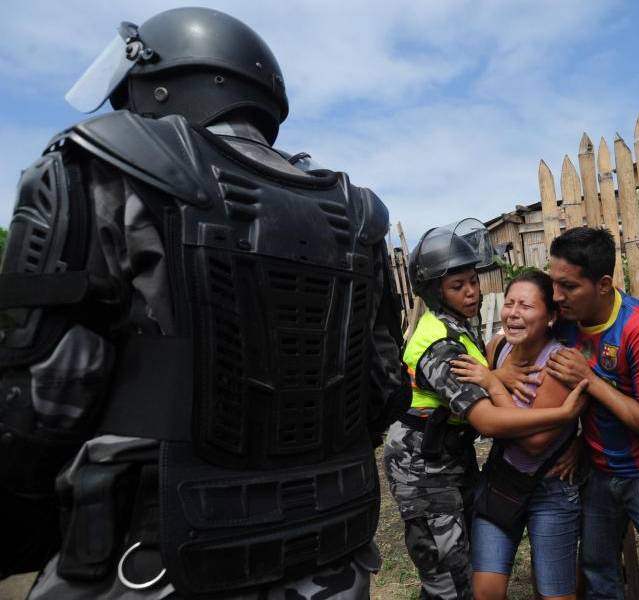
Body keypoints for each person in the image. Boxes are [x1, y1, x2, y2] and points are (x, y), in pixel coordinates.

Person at [0, 7, 411, 599]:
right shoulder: (357, 213)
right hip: (331, 554)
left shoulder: (101, 168)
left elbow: (37, 402)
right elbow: (384, 389)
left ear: (157, 83)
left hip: (152, 559)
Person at [384, 222, 587, 600]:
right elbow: (487, 420)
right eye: (457, 286)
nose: (472, 292)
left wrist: (495, 376)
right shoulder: (442, 344)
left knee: (462, 567)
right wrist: (562, 416)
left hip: (454, 463)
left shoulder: (463, 330)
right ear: (435, 292)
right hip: (426, 471)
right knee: (449, 582)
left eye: (473, 281)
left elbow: (484, 378)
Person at [544, 227, 639, 600]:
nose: (556, 296)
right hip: (599, 472)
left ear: (603, 285)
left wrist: (590, 380)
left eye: (568, 286)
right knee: (599, 579)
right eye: (553, 283)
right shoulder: (564, 321)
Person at [450, 269, 581, 600]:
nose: (513, 313)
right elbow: (476, 394)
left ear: (551, 317)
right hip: (502, 480)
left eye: (526, 305)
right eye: (509, 303)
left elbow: (534, 443)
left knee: (554, 594)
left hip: (550, 489)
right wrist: (497, 374)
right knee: (486, 591)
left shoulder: (558, 363)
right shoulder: (497, 348)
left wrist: (493, 383)